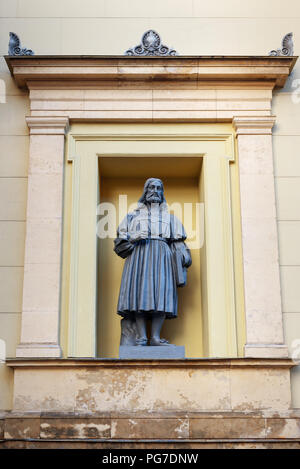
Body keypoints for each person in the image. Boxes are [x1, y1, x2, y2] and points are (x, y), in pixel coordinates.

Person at [113, 178, 192, 346]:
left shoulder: (171, 219)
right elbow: (119, 241)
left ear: (162, 193)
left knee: (162, 294)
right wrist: (133, 238)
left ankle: (155, 337)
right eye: (151, 187)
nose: (155, 190)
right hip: (140, 255)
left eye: (159, 188)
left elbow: (178, 242)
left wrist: (184, 255)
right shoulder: (132, 217)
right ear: (145, 190)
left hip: (163, 256)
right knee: (140, 294)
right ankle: (141, 337)